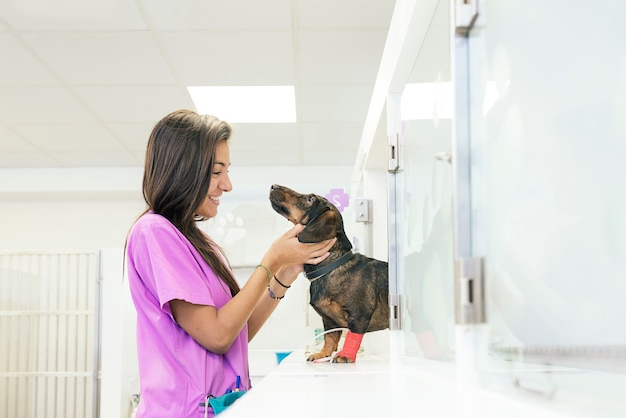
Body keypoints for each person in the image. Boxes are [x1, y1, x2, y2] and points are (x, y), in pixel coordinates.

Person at [125, 109, 335, 417]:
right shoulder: (154, 232)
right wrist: (271, 258)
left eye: (227, 171)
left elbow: (237, 331)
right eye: (215, 172)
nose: (227, 185)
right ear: (182, 171)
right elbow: (217, 336)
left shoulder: (200, 243)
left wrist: (284, 272)